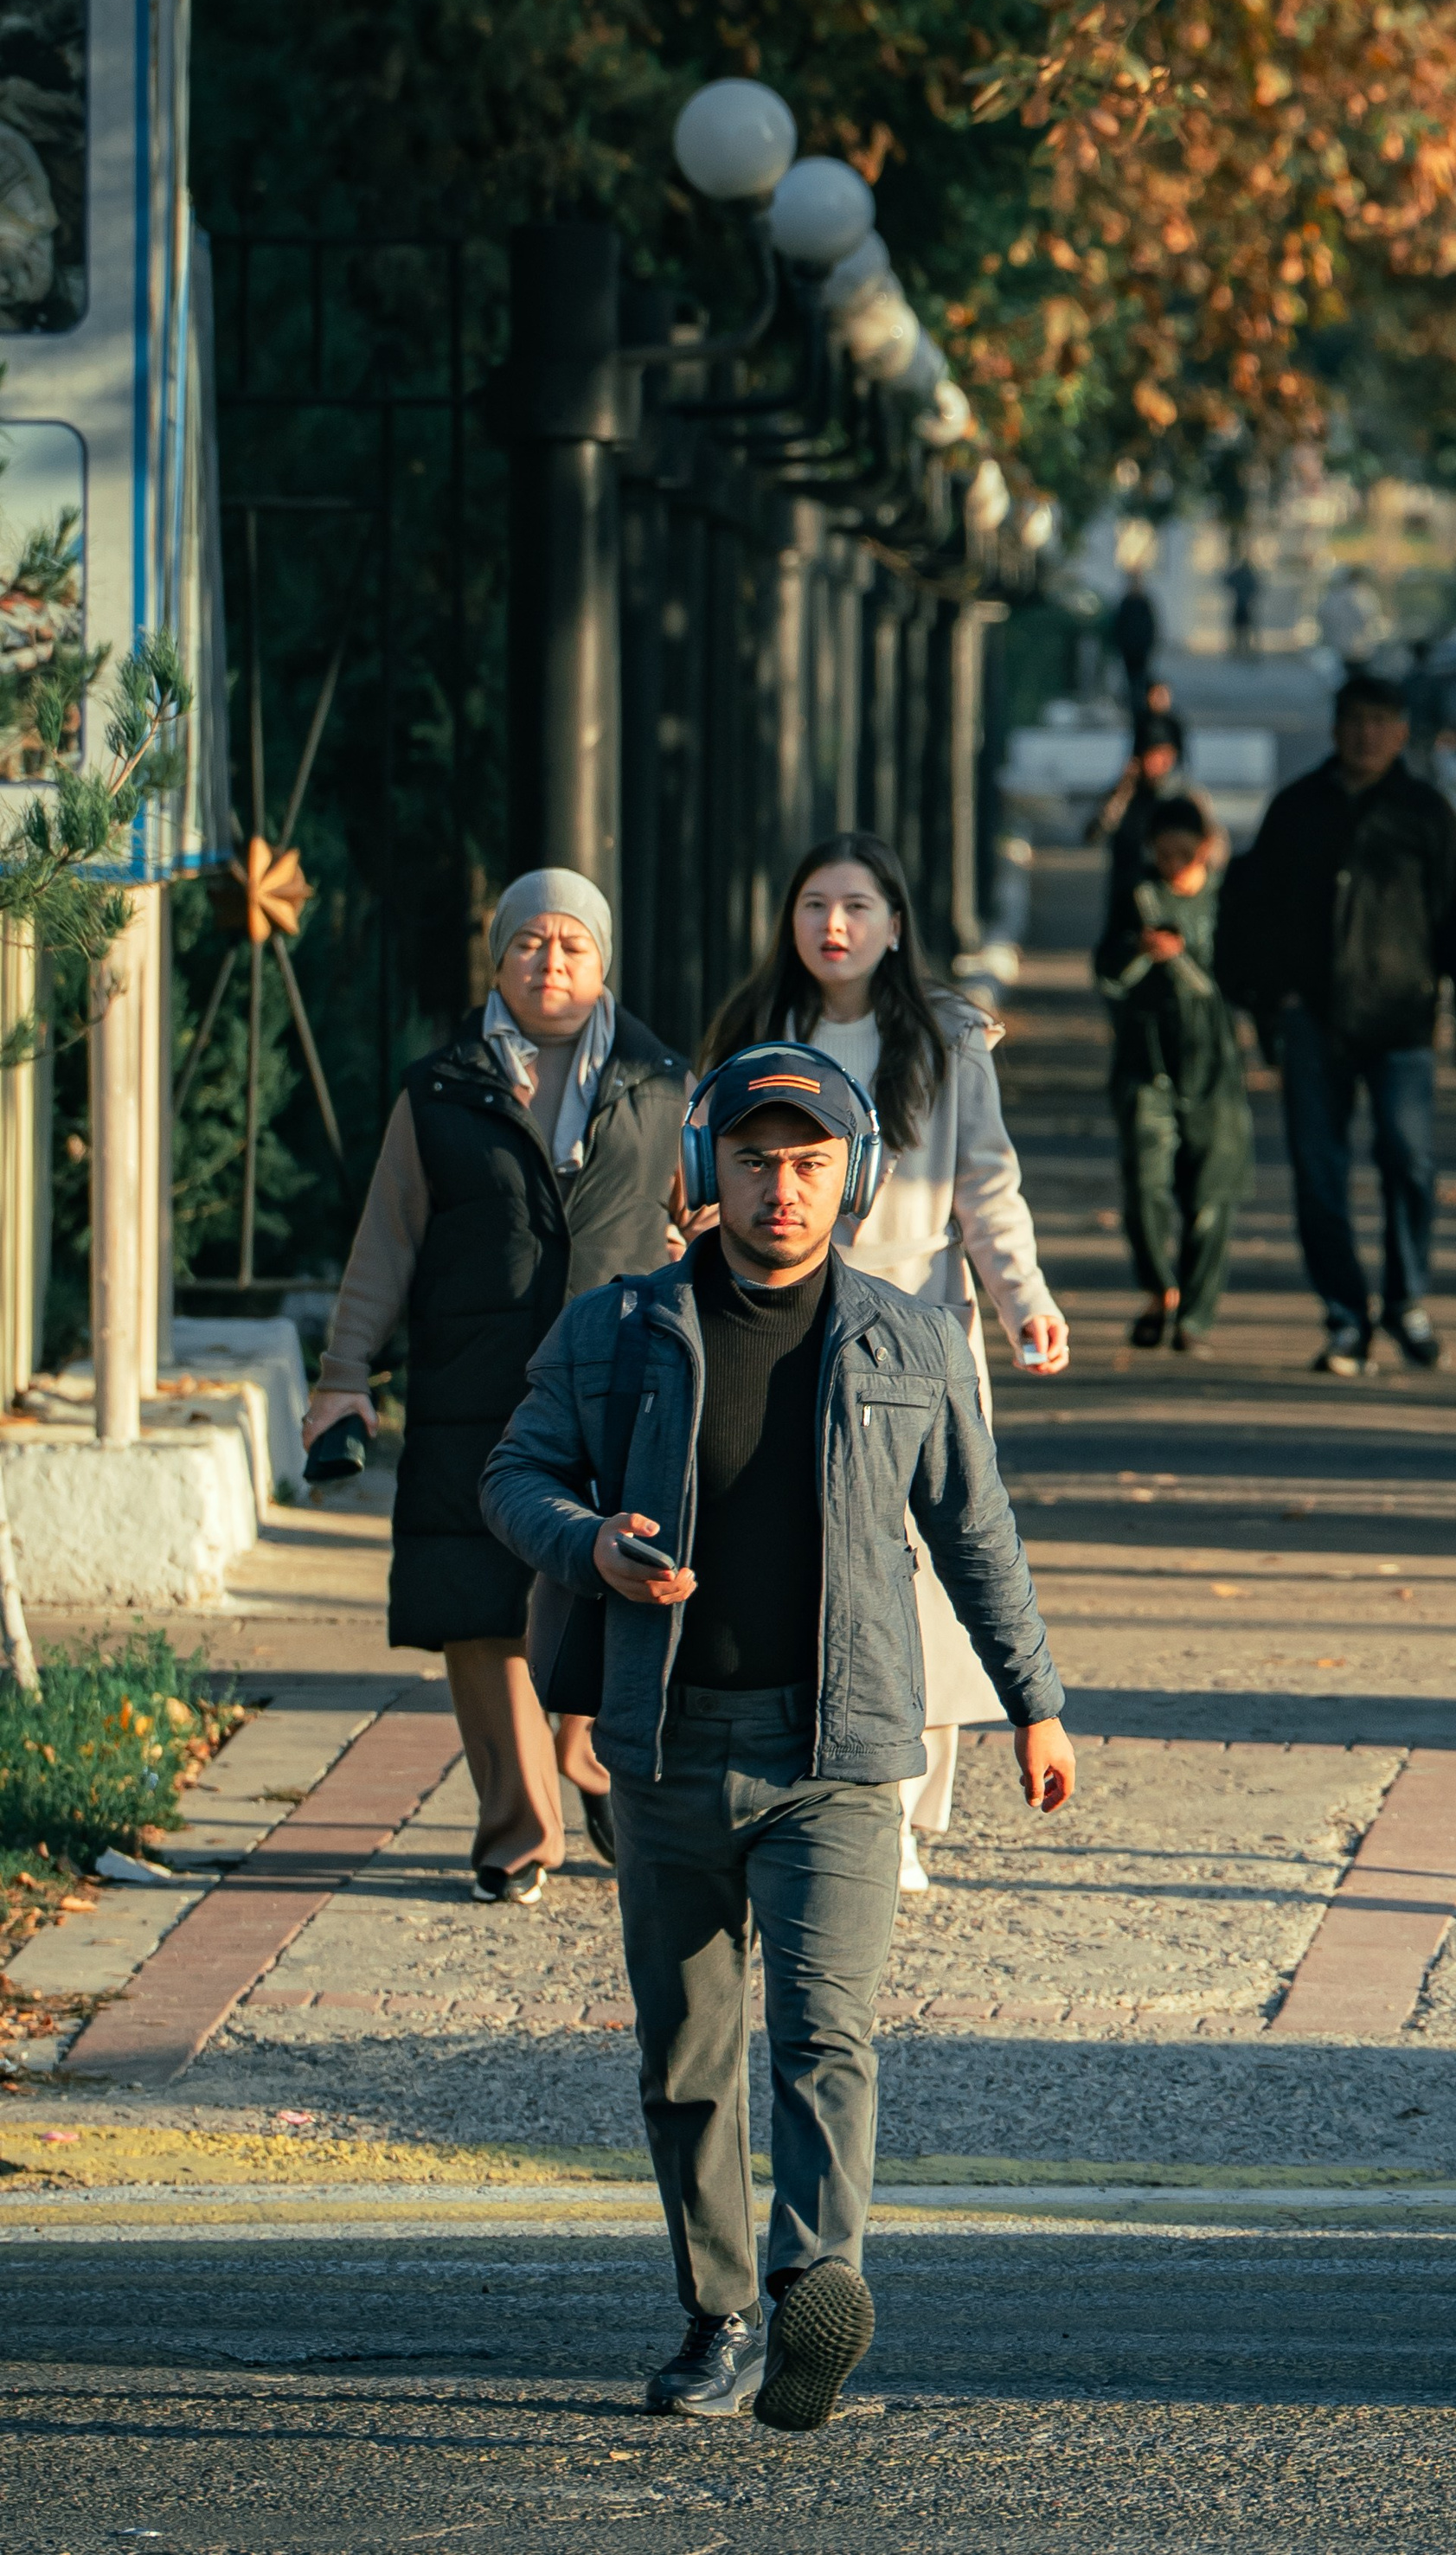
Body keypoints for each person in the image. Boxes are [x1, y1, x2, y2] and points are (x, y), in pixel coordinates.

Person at [480, 1047, 1074, 2428]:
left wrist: (1035, 1701)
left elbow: (975, 1534)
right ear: (707, 1174)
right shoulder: (619, 1329)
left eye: (809, 1164)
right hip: (667, 1748)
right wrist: (593, 1544)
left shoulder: (907, 1343)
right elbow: (512, 1473)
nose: (781, 1190)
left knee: (827, 2037)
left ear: (850, 1181)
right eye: (755, 1161)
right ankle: (716, 2317)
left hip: (841, 1756)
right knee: (685, 2058)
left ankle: (818, 2290)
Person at [301, 870, 689, 1902]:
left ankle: (588, 1759)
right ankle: (518, 1827)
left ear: (604, 963)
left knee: (601, 1579)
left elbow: (709, 1225)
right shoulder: (440, 1090)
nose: (549, 962)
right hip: (472, 1385)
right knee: (479, 1608)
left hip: (616, 1382)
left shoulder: (661, 1086)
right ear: (498, 957)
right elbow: (385, 1242)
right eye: (529, 944)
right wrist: (343, 1376)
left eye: (571, 945)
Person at [702, 831, 1068, 1895]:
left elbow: (986, 1186)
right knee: (811, 1554)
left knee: (925, 1562)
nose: (835, 926)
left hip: (914, 1322)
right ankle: (827, 1796)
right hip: (781, 1320)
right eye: (815, 903)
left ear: (894, 924)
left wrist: (1024, 1304)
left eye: (857, 906)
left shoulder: (946, 1041)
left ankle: (897, 1806)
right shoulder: (754, 1031)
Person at [1219, 671, 1456, 1377]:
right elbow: (1248, 909)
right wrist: (1260, 1001)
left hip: (1403, 1022)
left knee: (1410, 1162)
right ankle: (1346, 1317)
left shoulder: (1425, 815)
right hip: (1312, 1021)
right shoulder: (1297, 811)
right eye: (1355, 721)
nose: (1367, 734)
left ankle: (1407, 1302)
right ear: (1336, 728)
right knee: (1319, 1175)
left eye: (1381, 721)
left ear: (1402, 732)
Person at [1094, 794, 1252, 1357]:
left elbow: (1246, 975)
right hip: (1147, 1062)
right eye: (1164, 854)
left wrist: (1188, 957)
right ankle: (1160, 1288)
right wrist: (1139, 949)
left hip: (1215, 1068)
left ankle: (1196, 1318)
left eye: (1184, 853)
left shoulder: (1229, 898)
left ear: (1206, 848)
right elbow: (1106, 971)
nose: (1173, 864)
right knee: (1144, 1188)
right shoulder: (1137, 896)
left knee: (1212, 1198)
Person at [1085, 697, 1225, 932]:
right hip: (1129, 900)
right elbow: (1093, 835)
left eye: (1166, 757)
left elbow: (1215, 849)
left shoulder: (1188, 797)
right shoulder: (1125, 795)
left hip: (1177, 905)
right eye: (1152, 756)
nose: (1159, 765)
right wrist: (1121, 792)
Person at [1110, 569, 1158, 722]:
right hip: (1129, 649)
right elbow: (1119, 626)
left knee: (1141, 679)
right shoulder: (1126, 603)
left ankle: (1141, 708)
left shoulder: (1144, 603)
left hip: (1141, 650)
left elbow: (1151, 627)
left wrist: (1148, 645)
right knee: (1131, 680)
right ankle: (1134, 708)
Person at [1225, 553, 1261, 659]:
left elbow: (1228, 581)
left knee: (1239, 629)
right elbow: (1256, 588)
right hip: (1246, 605)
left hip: (1241, 604)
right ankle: (1245, 650)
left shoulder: (1240, 575)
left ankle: (1239, 650)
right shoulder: (1249, 576)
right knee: (1246, 629)